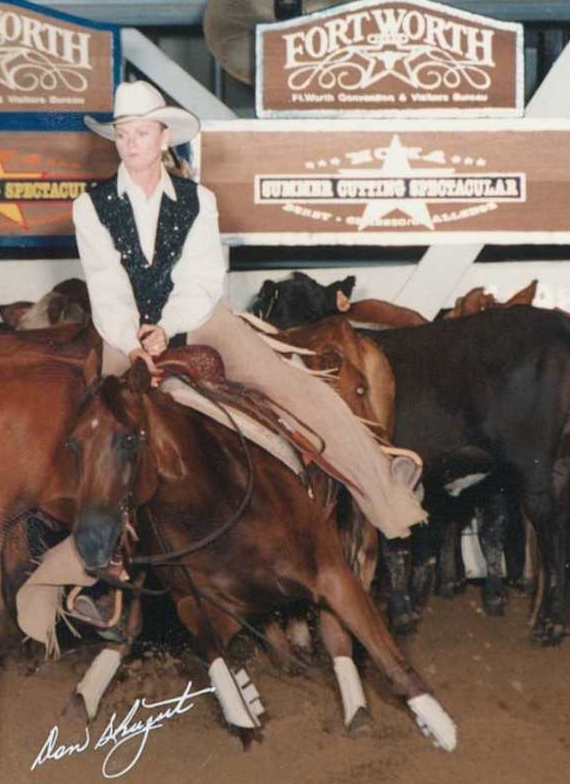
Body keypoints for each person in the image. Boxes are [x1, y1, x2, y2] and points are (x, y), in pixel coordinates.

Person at [71, 80, 426, 539]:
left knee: (285, 381)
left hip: (199, 319)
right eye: (121, 134)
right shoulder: (90, 206)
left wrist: (166, 327)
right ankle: (79, 567)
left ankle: (383, 484)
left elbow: (200, 279)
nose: (129, 144)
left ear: (163, 138)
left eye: (140, 133)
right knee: (101, 425)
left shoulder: (200, 202)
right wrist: (132, 336)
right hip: (124, 329)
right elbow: (106, 283)